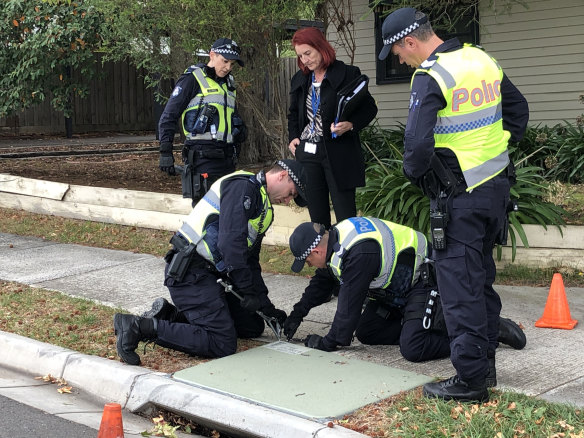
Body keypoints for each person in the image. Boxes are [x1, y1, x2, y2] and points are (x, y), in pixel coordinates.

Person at [377, 8, 529, 402]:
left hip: (459, 198)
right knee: (480, 280)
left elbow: (416, 148)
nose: (398, 58)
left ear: (410, 41)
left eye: (396, 51)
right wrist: (490, 152)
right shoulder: (481, 59)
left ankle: (471, 381)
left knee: (459, 290)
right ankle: (487, 368)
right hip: (495, 191)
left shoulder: (430, 76)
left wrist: (424, 177)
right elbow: (517, 111)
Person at [284, 219, 526, 385]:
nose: (310, 267)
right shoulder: (338, 236)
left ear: (315, 252)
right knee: (367, 331)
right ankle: (419, 324)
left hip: (424, 281)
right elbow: (322, 283)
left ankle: (485, 329)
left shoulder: (358, 253)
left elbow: (346, 313)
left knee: (414, 348)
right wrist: (297, 314)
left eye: (307, 262)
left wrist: (325, 343)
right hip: (396, 292)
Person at [114, 160, 308, 366]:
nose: (288, 201)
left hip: (211, 276)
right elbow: (230, 246)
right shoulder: (242, 187)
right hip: (191, 273)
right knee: (222, 342)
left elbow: (250, 263)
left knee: (251, 326)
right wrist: (247, 292)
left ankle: (169, 316)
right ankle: (138, 327)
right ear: (283, 175)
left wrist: (267, 308)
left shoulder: (261, 203)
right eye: (291, 193)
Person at [288, 27, 378, 228]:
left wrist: (351, 125)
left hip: (338, 154)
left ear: (321, 47)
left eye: (308, 53)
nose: (305, 60)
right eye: (300, 56)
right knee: (317, 217)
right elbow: (293, 113)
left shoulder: (347, 74)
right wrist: (293, 136)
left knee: (346, 216)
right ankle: (324, 257)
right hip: (308, 153)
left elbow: (370, 108)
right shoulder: (300, 79)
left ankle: (348, 257)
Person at [158, 38, 248, 204]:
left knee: (227, 212)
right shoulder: (192, 78)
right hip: (202, 157)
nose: (228, 68)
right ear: (212, 55)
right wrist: (165, 151)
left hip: (227, 158)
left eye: (232, 64)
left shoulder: (228, 84)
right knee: (206, 213)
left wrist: (239, 130)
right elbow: (169, 116)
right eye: (225, 61)